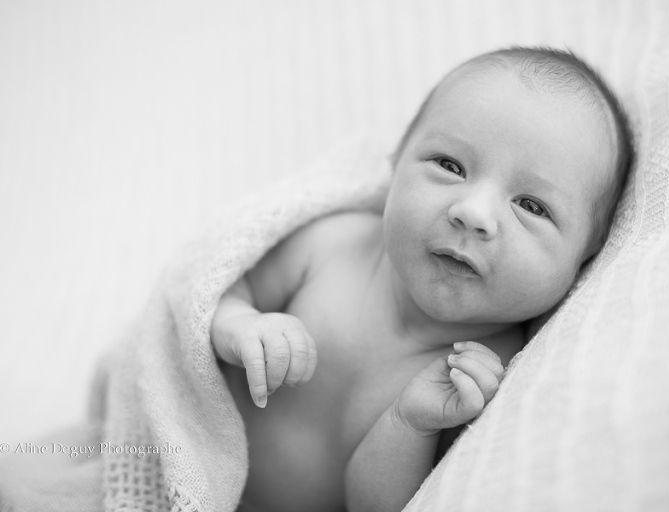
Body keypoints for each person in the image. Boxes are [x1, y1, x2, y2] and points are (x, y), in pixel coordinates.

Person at [210, 46, 634, 512]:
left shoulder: (490, 374)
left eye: (531, 207)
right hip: (197, 467)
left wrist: (409, 424)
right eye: (449, 166)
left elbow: (373, 507)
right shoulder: (336, 244)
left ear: (585, 259)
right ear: (395, 166)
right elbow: (219, 292)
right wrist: (242, 327)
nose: (473, 213)